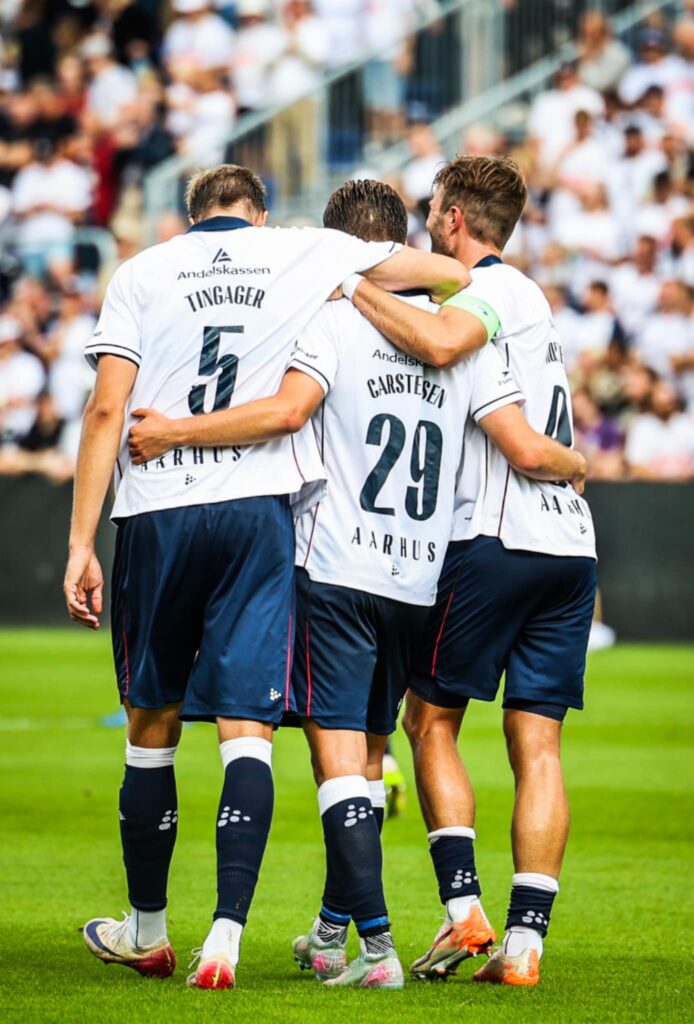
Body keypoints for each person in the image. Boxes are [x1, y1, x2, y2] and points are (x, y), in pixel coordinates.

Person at [127, 177, 585, 989]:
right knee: (397, 753)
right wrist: (579, 461)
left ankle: (382, 946)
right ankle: (366, 932)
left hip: (340, 563)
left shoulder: (334, 316)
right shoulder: (477, 324)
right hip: (423, 572)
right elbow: (511, 422)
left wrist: (174, 433)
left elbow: (287, 411)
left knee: (346, 756)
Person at [63, 162, 473, 991]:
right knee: (246, 730)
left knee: (152, 730)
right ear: (257, 213)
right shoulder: (299, 252)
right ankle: (225, 939)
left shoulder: (141, 271)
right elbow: (451, 272)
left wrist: (80, 543)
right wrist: (349, 269)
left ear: (192, 215)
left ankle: (147, 930)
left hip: (156, 512)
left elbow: (108, 409)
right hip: (261, 514)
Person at [343, 155, 598, 987]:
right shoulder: (529, 308)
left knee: (431, 722)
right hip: (569, 549)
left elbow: (511, 432)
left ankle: (464, 912)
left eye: (431, 210)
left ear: (453, 218)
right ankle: (525, 947)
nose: (425, 224)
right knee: (539, 745)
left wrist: (345, 283)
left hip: (499, 539)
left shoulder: (491, 296)